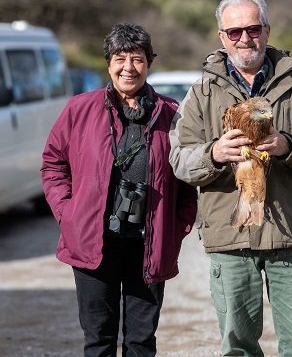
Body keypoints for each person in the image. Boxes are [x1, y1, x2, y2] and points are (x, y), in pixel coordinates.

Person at [168, 0, 292, 356]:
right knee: (237, 347)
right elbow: (179, 159)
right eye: (234, 31)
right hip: (231, 240)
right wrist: (213, 154)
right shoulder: (201, 92)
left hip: (290, 238)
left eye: (252, 29)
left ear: (267, 30)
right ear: (221, 36)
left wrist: (289, 146)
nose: (244, 38)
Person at [41, 23, 198, 356]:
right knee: (98, 338)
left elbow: (187, 178)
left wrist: (176, 228)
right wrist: (68, 215)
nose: (129, 67)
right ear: (109, 63)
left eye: (138, 59)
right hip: (93, 244)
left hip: (149, 243)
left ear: (149, 63)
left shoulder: (171, 113)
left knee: (142, 340)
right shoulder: (79, 109)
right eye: (120, 58)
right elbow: (53, 165)